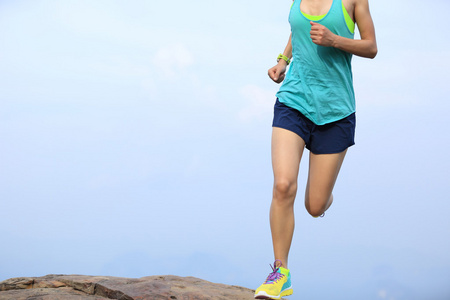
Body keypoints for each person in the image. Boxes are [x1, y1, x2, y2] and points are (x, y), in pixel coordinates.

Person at [254, 0, 377, 299]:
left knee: (314, 206)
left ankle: (324, 193)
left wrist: (334, 40)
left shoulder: (353, 1)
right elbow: (298, 31)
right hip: (293, 101)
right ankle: (279, 273)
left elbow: (371, 47)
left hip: (336, 112)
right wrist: (283, 60)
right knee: (283, 186)